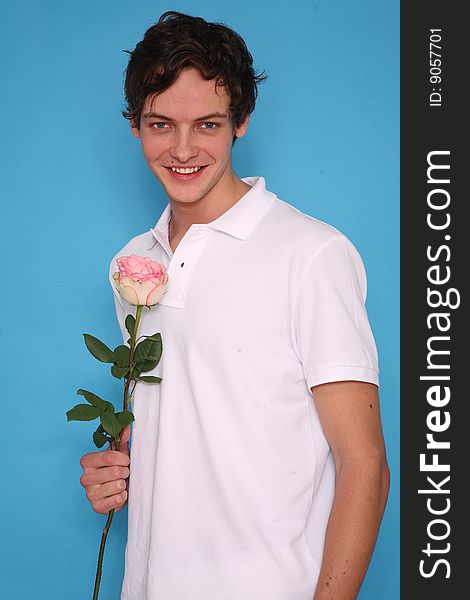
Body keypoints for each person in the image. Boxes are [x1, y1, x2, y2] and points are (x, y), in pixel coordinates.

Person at [79, 11, 390, 600]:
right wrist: (117, 468)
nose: (183, 149)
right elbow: (190, 415)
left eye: (208, 124)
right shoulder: (133, 263)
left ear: (242, 122)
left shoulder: (311, 253)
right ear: (135, 126)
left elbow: (365, 462)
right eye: (161, 124)